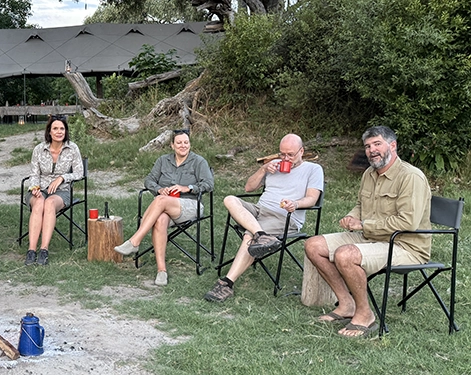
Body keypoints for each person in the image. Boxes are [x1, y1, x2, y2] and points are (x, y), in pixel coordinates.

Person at [304, 126, 431, 337]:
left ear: (392, 145)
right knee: (313, 245)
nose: (372, 150)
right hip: (371, 237)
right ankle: (346, 304)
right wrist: (353, 216)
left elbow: (407, 222)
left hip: (405, 245)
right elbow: (360, 205)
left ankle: (365, 314)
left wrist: (364, 225)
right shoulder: (369, 174)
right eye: (368, 146)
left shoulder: (411, 177)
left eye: (377, 144)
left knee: (346, 254)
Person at [204, 134, 324, 303]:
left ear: (301, 151)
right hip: (260, 210)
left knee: (249, 235)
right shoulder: (273, 166)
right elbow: (248, 187)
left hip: (285, 216)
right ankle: (261, 234)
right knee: (229, 199)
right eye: (282, 154)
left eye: (290, 154)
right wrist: (263, 170)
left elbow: (312, 198)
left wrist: (295, 204)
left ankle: (227, 283)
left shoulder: (313, 169)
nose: (286, 158)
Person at [113, 130, 214, 286]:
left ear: (190, 144)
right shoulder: (163, 161)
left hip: (190, 205)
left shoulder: (199, 162)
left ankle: (135, 241)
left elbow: (209, 184)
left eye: (186, 142)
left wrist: (187, 187)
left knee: (160, 200)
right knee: (160, 219)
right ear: (172, 145)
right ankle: (162, 271)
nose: (183, 145)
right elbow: (149, 180)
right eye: (179, 142)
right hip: (165, 207)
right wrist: (160, 189)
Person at [24, 114, 84, 266]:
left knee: (49, 204)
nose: (59, 132)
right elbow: (34, 174)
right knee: (39, 203)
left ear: (66, 131)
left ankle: (44, 250)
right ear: (49, 132)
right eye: (55, 128)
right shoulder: (39, 149)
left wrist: (63, 177)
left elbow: (79, 173)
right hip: (40, 189)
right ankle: (31, 250)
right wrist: (35, 188)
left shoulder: (72, 148)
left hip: (62, 191)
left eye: (62, 128)